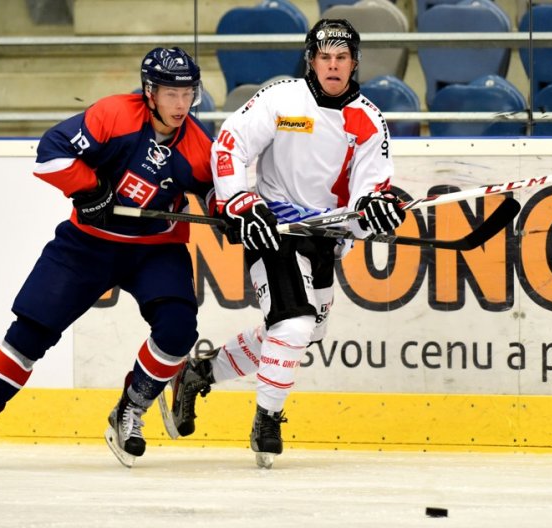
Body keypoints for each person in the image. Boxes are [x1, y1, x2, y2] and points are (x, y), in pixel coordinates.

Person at [159, 19, 405, 469]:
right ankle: (267, 420)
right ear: (311, 59)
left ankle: (197, 373)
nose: (333, 66)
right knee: (292, 327)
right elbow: (228, 147)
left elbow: (370, 194)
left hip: (323, 238)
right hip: (271, 230)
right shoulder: (282, 98)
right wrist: (241, 202)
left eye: (342, 58)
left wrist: (378, 211)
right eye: (324, 57)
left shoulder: (370, 121)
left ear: (354, 62)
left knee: (308, 331)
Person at [0, 47, 215, 467]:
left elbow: (216, 197)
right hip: (88, 244)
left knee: (178, 331)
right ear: (149, 91)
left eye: (188, 93)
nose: (181, 104)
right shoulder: (114, 115)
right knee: (30, 332)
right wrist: (89, 189)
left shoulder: (196, 145)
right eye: (171, 93)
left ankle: (130, 408)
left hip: (156, 249)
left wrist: (235, 214)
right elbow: (51, 151)